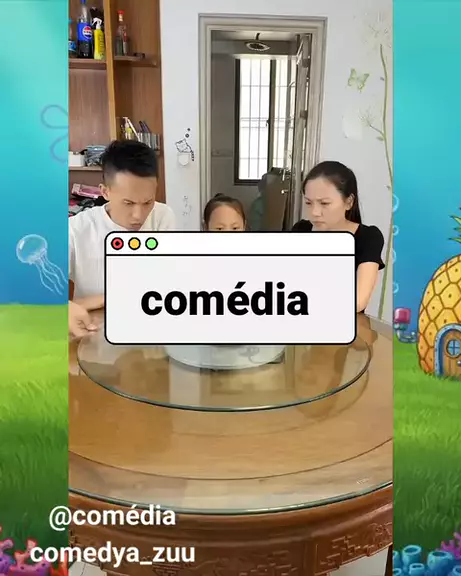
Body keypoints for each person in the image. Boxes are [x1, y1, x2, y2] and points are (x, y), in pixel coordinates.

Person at [69, 140, 175, 307]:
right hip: (96, 321)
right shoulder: (76, 230)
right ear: (105, 192)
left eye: (148, 202)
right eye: (128, 203)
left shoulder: (163, 216)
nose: (138, 216)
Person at [292, 161, 384, 313]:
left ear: (349, 202)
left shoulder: (368, 237)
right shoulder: (301, 230)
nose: (314, 212)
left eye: (324, 203)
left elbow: (358, 301)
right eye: (308, 203)